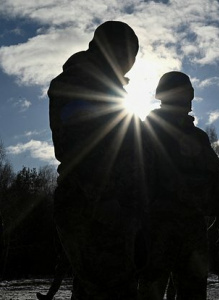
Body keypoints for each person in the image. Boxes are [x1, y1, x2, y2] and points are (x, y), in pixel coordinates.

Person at [48, 21, 146, 299]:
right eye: (129, 54)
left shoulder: (108, 88)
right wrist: (105, 201)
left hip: (111, 207)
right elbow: (80, 147)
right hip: (94, 206)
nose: (131, 63)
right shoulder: (81, 82)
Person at [138, 71, 219, 300]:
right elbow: (136, 181)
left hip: (188, 230)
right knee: (153, 290)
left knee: (190, 292)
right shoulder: (148, 131)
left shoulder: (198, 137)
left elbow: (216, 182)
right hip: (158, 228)